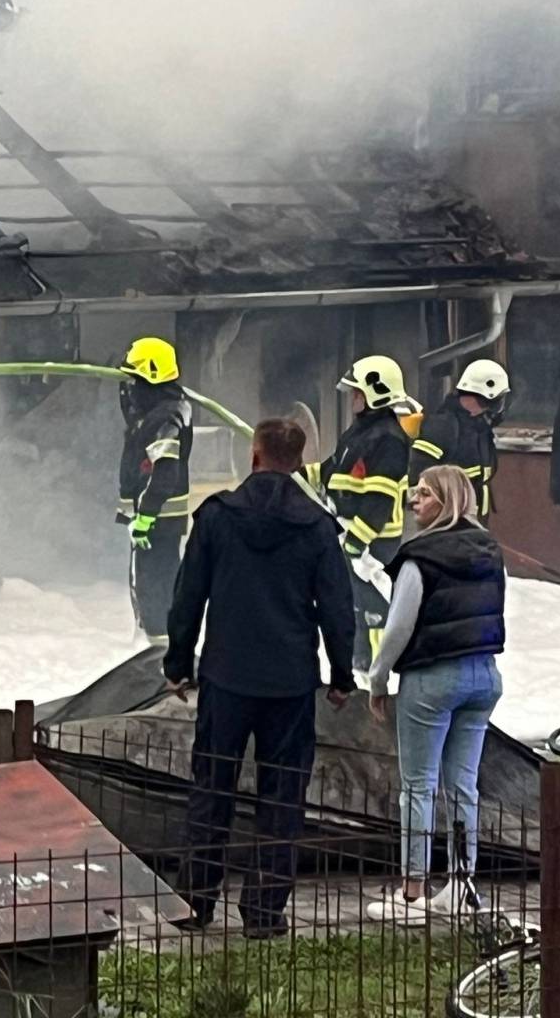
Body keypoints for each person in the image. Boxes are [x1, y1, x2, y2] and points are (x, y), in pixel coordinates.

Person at [165, 417, 355, 936]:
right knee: (282, 797)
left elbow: (188, 597)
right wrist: (341, 675)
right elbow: (339, 608)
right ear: (298, 461)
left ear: (254, 456)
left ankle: (195, 902)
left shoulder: (216, 518)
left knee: (212, 788)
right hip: (290, 683)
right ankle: (264, 913)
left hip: (226, 678)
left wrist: (178, 664)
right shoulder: (317, 528)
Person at [365, 464, 506, 924]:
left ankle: (411, 893)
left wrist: (379, 677)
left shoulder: (419, 557)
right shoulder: (489, 550)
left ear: (445, 501)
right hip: (484, 677)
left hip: (431, 680)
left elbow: (399, 626)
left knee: (418, 786)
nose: (413, 501)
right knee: (464, 786)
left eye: (423, 494)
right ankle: (462, 886)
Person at [304, 354, 413, 677]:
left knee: (373, 608)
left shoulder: (389, 439)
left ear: (376, 393)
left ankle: (381, 672)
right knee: (352, 604)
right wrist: (293, 475)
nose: (352, 398)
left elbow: (379, 499)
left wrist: (357, 542)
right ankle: (359, 663)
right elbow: (332, 471)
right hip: (353, 534)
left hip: (374, 541)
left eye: (357, 392)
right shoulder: (360, 433)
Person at [117, 336, 193, 644]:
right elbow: (135, 421)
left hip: (158, 522)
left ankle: (161, 656)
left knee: (155, 587)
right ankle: (159, 647)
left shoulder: (167, 417)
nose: (130, 388)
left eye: (134, 380)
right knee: (154, 584)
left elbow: (165, 472)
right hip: (156, 521)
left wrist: (146, 517)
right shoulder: (161, 410)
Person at [410, 359, 509, 519]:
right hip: (447, 525)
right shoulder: (442, 427)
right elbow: (418, 479)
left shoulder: (480, 427)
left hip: (475, 525)